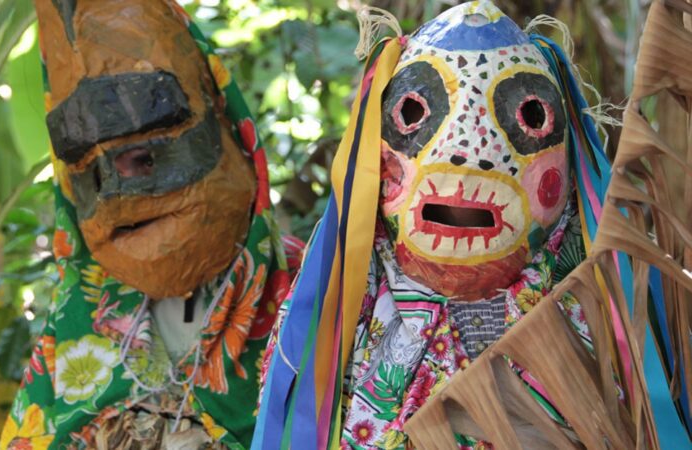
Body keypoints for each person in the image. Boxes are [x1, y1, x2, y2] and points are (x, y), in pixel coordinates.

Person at [253, 2, 612, 448]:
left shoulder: (609, 313)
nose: (468, 156)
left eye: (530, 115)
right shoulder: (334, 317)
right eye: (413, 112)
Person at [0, 1, 302, 448]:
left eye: (146, 157)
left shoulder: (314, 295)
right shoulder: (77, 328)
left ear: (229, 127)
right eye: (93, 172)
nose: (119, 196)